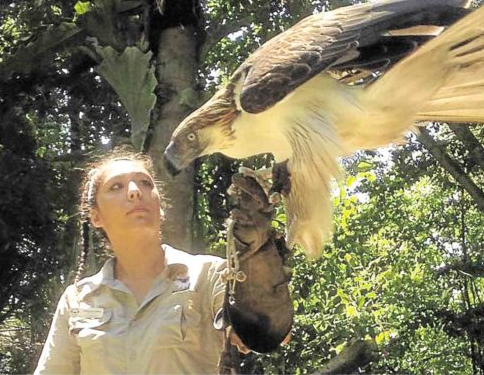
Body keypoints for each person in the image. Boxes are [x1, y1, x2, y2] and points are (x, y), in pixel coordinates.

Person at [34, 148, 292, 374]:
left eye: (145, 183)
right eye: (116, 187)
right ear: (95, 217)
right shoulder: (77, 300)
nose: (135, 192)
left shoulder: (210, 275)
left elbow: (266, 328)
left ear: (161, 207)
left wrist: (256, 252)